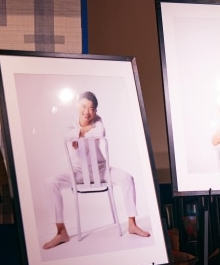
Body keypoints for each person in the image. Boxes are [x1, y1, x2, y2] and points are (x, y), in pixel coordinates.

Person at [42, 91, 150, 249]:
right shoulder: (69, 120)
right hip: (77, 171)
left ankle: (132, 224)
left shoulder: (98, 120)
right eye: (83, 106)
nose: (87, 111)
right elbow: (66, 136)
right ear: (77, 105)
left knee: (127, 178)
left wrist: (78, 136)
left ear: (95, 111)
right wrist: (83, 131)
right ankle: (61, 232)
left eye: (91, 108)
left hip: (101, 169)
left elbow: (100, 133)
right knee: (51, 182)